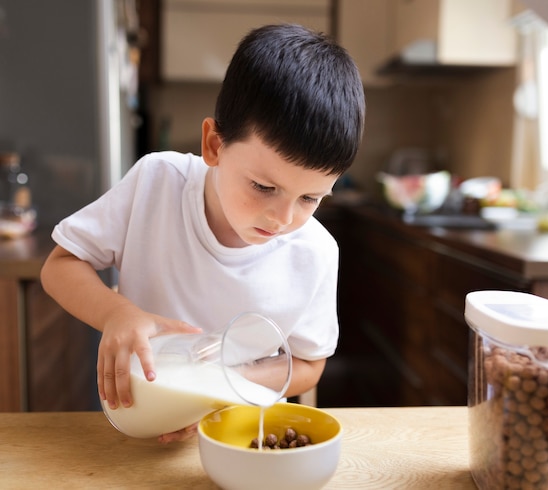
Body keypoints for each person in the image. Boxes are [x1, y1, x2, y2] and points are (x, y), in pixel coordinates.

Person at [40, 23, 365, 443]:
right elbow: (60, 265)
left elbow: (308, 363)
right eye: (264, 187)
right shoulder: (158, 183)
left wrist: (215, 394)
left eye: (310, 198)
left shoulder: (316, 253)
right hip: (138, 428)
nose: (283, 218)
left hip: (238, 431)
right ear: (213, 144)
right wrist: (117, 313)